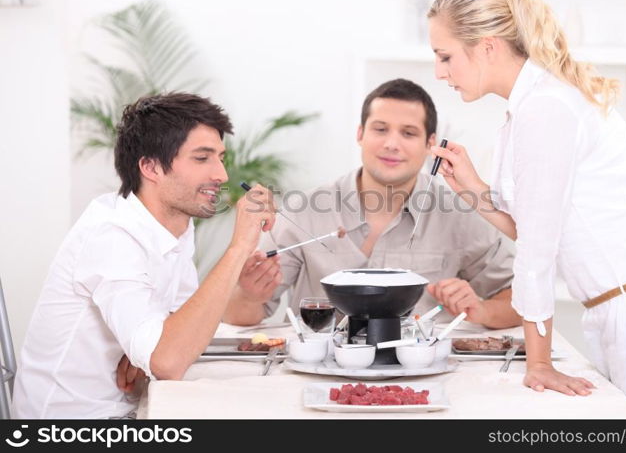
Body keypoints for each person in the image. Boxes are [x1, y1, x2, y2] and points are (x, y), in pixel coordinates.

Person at [426, 0, 626, 418]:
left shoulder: (545, 109)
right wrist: (475, 192)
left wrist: (538, 362)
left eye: (445, 56)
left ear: (488, 46)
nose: (440, 72)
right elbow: (542, 226)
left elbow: (537, 249)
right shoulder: (532, 106)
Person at [12, 93, 278, 418]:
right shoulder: (111, 235)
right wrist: (239, 247)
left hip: (135, 408)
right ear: (151, 167)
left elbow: (179, 331)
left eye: (220, 157)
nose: (221, 174)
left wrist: (147, 351)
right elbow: (169, 359)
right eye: (202, 158)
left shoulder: (176, 224)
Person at [225, 78, 521, 328]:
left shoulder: (459, 216)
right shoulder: (305, 211)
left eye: (408, 133)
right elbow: (240, 315)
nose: (392, 143)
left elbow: (520, 300)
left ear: (431, 144)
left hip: (421, 382)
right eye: (380, 129)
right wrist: (250, 296)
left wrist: (481, 310)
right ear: (360, 134)